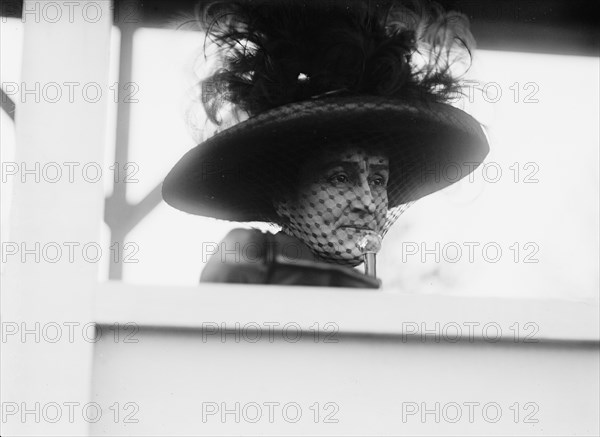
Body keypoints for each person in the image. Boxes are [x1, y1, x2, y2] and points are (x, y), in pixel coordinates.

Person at [162, 0, 490, 288]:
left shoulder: (370, 294)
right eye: (340, 178)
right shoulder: (253, 260)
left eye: (378, 180)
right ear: (283, 194)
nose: (367, 202)